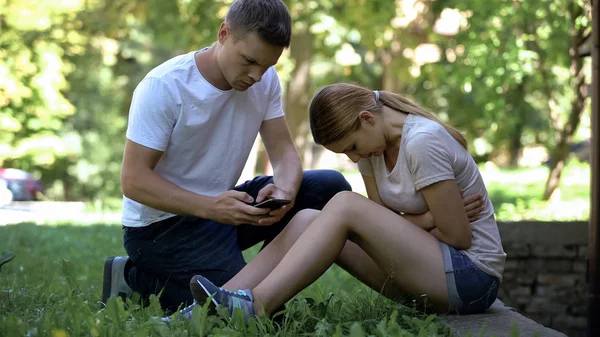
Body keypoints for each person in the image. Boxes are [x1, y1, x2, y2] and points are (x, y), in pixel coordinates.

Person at [100, 0, 352, 314]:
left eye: (267, 66)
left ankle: (255, 279)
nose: (257, 76)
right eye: (249, 61)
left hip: (221, 209)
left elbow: (285, 153)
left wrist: (285, 192)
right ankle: (135, 279)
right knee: (239, 308)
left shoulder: (264, 81)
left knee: (329, 186)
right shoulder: (164, 87)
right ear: (223, 34)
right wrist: (210, 207)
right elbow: (133, 180)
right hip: (161, 228)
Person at [188, 83, 506, 319]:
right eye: (346, 153)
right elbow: (383, 226)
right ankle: (208, 309)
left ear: (367, 118)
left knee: (344, 204)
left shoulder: (422, 143)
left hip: (471, 279)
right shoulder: (373, 152)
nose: (354, 158)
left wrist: (422, 225)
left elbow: (458, 236)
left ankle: (256, 306)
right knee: (306, 219)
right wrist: (429, 219)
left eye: (352, 146)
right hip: (424, 276)